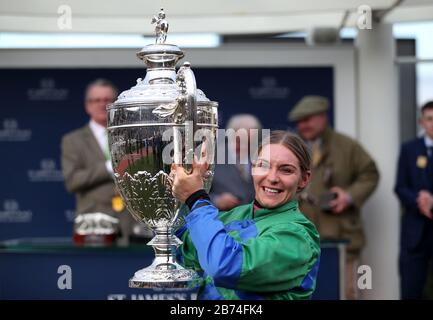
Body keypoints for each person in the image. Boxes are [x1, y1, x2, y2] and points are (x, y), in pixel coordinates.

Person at [172, 131, 320, 300]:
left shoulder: (298, 236)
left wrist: (196, 198)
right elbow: (180, 251)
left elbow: (225, 266)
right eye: (263, 165)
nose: (272, 178)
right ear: (253, 168)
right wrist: (177, 185)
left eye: (286, 170)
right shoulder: (234, 215)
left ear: (304, 179)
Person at [288, 95, 379, 299]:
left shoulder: (347, 146)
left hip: (342, 235)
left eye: (308, 119)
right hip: (302, 238)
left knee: (348, 290)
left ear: (322, 117)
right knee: (304, 292)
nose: (303, 125)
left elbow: (370, 174)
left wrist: (349, 196)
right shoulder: (292, 148)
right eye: (299, 121)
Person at [61, 79, 137, 245]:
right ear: (87, 105)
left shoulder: (133, 137)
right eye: (97, 100)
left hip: (133, 227)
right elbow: (72, 181)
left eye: (108, 100)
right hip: (93, 228)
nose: (102, 105)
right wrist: (109, 167)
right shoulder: (72, 140)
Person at [395, 101, 433, 299]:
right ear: (421, 122)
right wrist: (419, 199)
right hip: (415, 233)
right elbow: (400, 187)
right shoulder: (409, 149)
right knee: (411, 288)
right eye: (429, 119)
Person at [210, 114, 262, 211]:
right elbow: (196, 191)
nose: (245, 145)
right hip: (223, 219)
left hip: (255, 220)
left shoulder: (260, 155)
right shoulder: (213, 155)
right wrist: (216, 200)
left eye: (250, 141)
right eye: (240, 141)